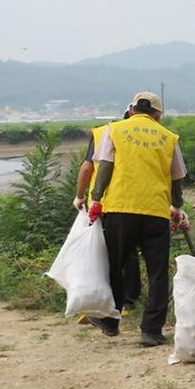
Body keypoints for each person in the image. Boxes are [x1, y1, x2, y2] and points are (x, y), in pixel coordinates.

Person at [86, 91, 189, 347]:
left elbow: (105, 167)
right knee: (157, 272)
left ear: (131, 110)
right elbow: (177, 177)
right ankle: (151, 331)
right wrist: (176, 206)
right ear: (157, 115)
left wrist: (96, 198)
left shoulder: (114, 129)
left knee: (115, 265)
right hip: (155, 211)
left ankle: (110, 320)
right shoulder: (169, 137)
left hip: (120, 208)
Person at [73, 107, 140, 314]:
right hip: (138, 202)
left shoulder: (105, 132)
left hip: (105, 204)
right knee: (129, 253)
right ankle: (129, 299)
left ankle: (106, 299)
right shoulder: (150, 136)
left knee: (107, 252)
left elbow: (87, 168)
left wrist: (80, 196)